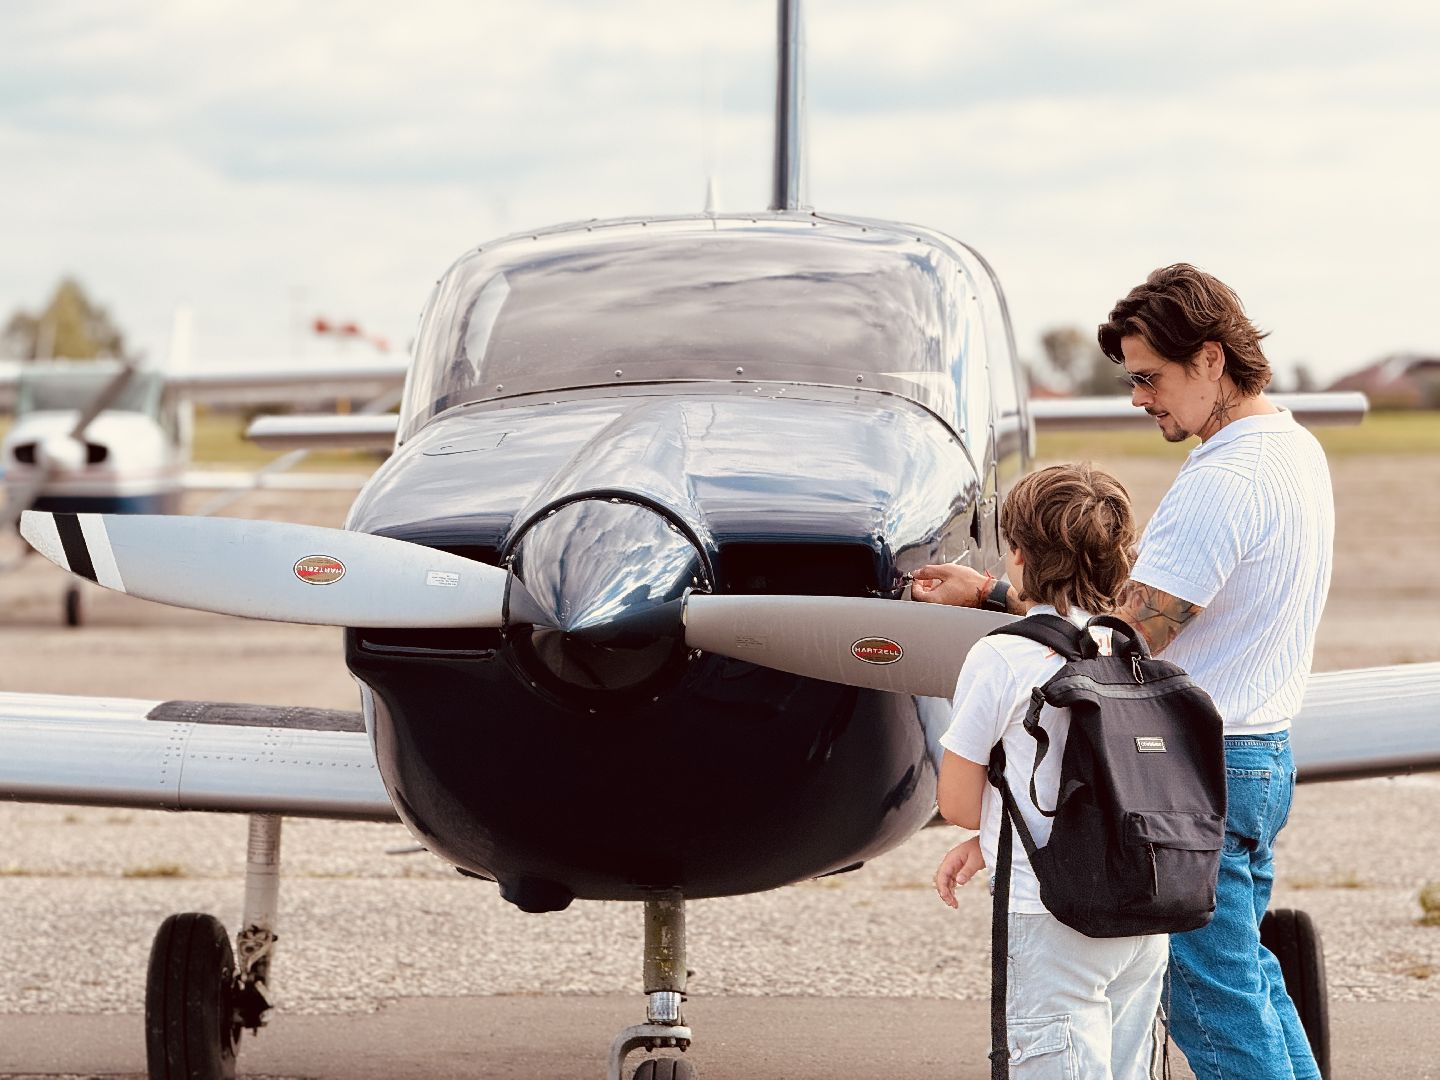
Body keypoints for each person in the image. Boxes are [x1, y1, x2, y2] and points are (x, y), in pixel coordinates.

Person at [918, 264, 1332, 1080]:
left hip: (1195, 776)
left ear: (1210, 359)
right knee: (1247, 984)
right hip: (1259, 755)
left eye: (1150, 377)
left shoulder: (1225, 479)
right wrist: (1003, 592)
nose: (1140, 398)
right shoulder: (1295, 447)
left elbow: (1118, 641)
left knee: (1213, 1006)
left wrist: (1003, 612)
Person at [930, 462, 1167, 1079]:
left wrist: (982, 830)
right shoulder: (1127, 647)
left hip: (1051, 913)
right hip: (1142, 915)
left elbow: (958, 802)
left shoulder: (1001, 655)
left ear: (1017, 555)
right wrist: (989, 842)